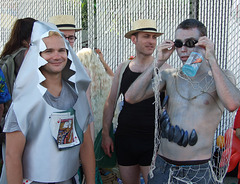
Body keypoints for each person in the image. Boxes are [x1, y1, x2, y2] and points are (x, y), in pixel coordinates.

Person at [125, 19, 240, 183]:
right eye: (178, 44)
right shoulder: (171, 76)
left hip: (198, 170)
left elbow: (233, 103)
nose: (183, 49)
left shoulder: (222, 77)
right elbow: (131, 97)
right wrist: (158, 61)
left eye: (190, 43)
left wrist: (212, 59)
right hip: (163, 167)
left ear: (204, 43)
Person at [3, 21, 94, 184]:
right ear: (37, 55)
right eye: (48, 51)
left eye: (61, 50)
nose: (57, 56)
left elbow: (86, 145)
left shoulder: (77, 97)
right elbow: (12, 156)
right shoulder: (25, 101)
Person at [101, 19, 171, 184]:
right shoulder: (123, 68)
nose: (151, 41)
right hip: (125, 139)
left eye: (154, 37)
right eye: (146, 36)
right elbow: (110, 102)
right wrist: (106, 134)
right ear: (134, 39)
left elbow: (170, 108)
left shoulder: (165, 69)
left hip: (152, 140)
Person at [49, 15, 95, 183]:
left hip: (73, 143)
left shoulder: (82, 72)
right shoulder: (40, 70)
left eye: (71, 37)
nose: (68, 41)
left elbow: (87, 112)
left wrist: (89, 150)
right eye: (63, 36)